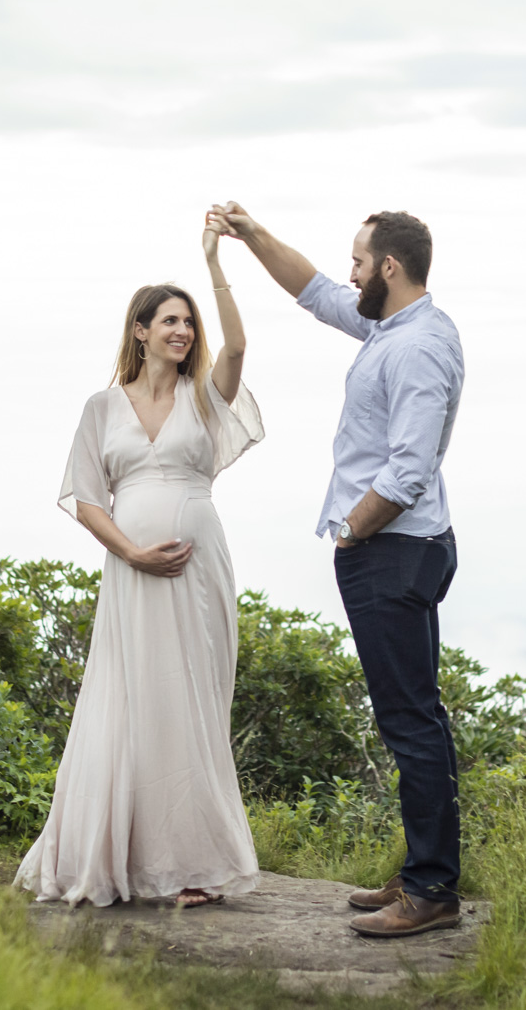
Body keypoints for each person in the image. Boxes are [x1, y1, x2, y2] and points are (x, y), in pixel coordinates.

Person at [211, 201, 466, 938]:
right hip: (407, 547)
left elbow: (410, 468)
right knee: (418, 718)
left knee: (411, 721)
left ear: (390, 266)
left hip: (392, 550)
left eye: (359, 260)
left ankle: (431, 890)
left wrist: (351, 533)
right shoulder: (398, 326)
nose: (349, 272)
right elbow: (317, 291)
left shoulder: (416, 347)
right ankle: (425, 870)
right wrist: (252, 234)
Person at [14, 214, 264, 908]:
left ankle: (196, 868)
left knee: (191, 702)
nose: (182, 331)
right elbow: (87, 498)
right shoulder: (102, 407)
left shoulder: (204, 398)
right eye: (170, 321)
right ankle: (119, 855)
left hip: (196, 569)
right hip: (131, 573)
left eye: (188, 322)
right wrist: (131, 551)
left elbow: (238, 344)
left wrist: (214, 262)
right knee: (128, 702)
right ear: (141, 330)